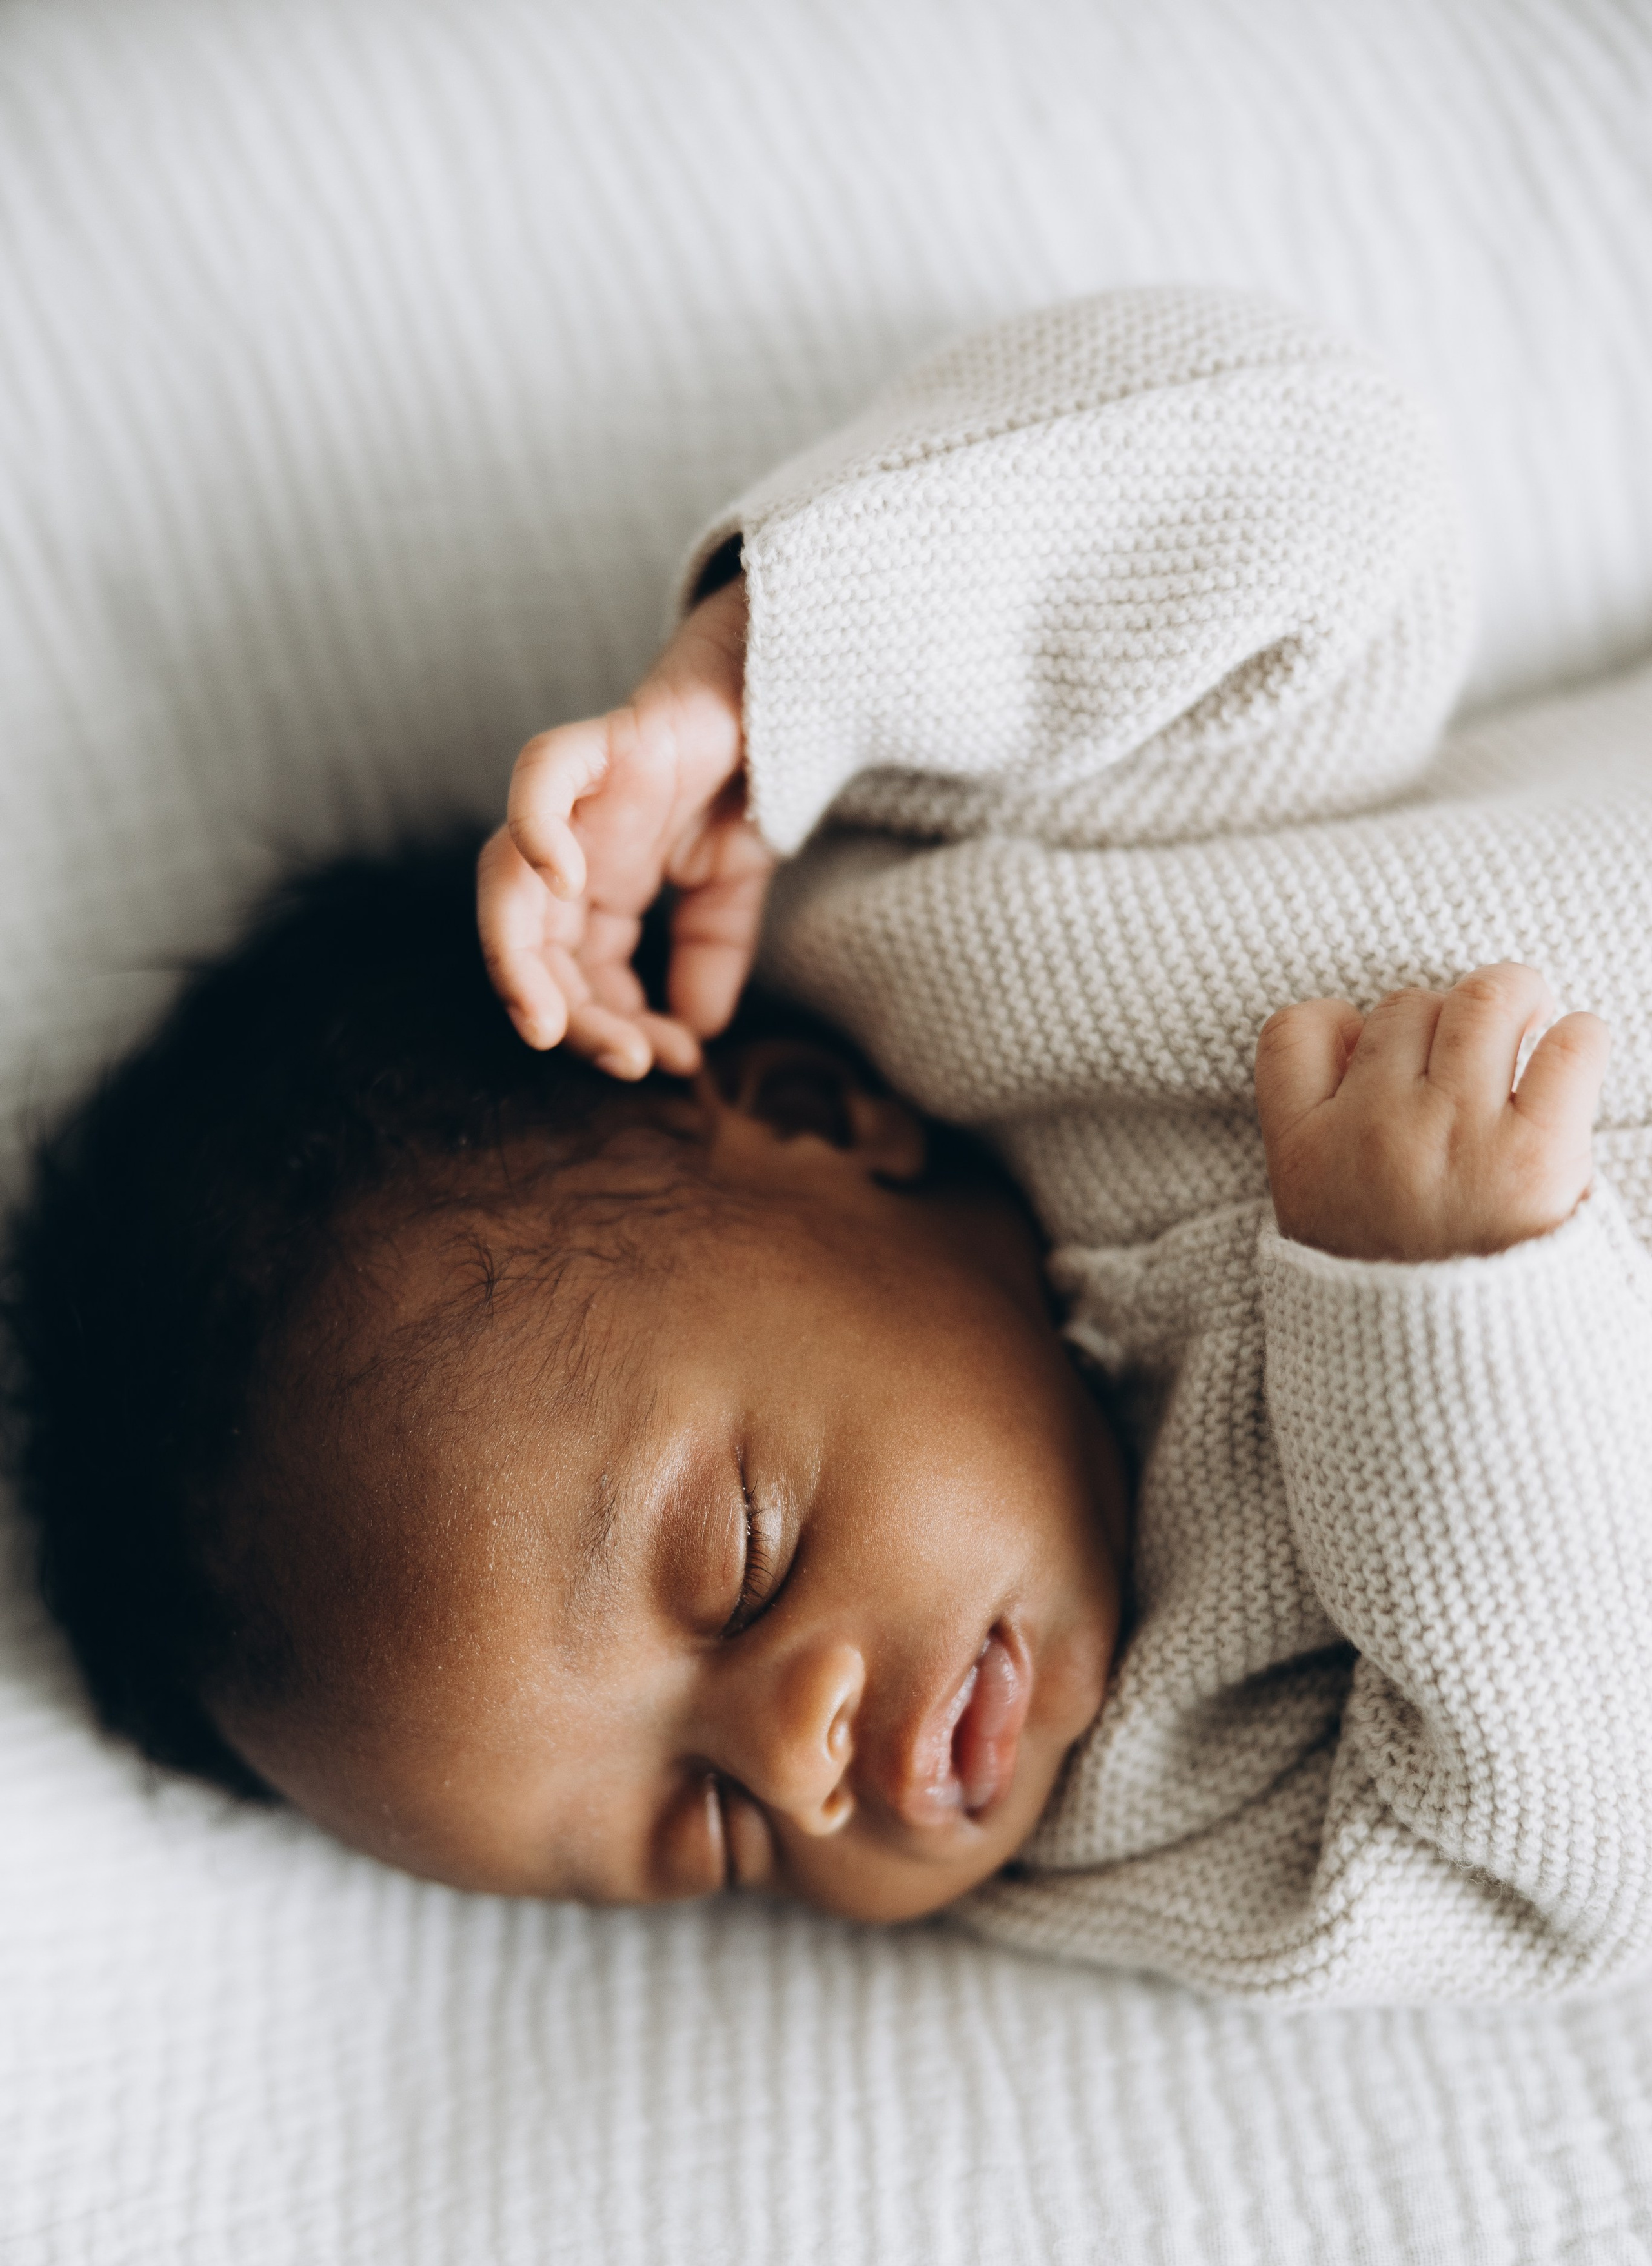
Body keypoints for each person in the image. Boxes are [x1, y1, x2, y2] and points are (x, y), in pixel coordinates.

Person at [10, 290, 1651, 2002]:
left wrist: (771, 686)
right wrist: (1449, 1329)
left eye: (746, 1560)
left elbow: (1319, 479)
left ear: (809, 1124)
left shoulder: (976, 930)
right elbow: (1576, 1872)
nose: (801, 1767)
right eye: (712, 1825)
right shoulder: (1162, 1814)